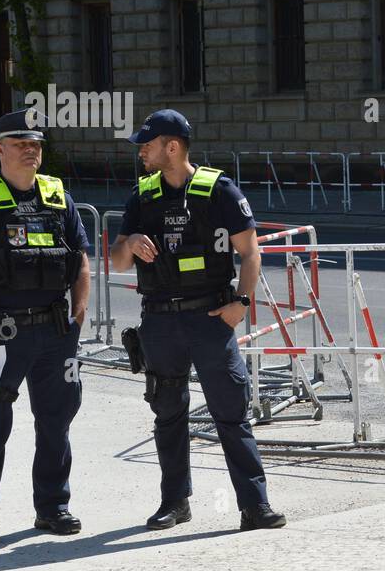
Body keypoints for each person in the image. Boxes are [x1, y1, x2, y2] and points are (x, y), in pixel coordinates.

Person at [109, 109, 286, 531]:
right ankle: (175, 502)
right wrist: (130, 242)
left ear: (172, 147)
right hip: (161, 323)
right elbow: (115, 262)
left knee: (230, 413)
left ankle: (254, 506)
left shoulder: (218, 190)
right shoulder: (142, 196)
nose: (142, 154)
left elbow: (251, 252)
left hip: (210, 319)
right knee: (168, 414)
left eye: (147, 146)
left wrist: (241, 303)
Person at [0, 108, 91, 544]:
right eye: (21, 144)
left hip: (53, 334)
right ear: (0, 150)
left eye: (36, 144)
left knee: (56, 421)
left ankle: (53, 507)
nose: (31, 150)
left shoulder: (57, 197)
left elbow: (81, 262)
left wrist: (78, 317)